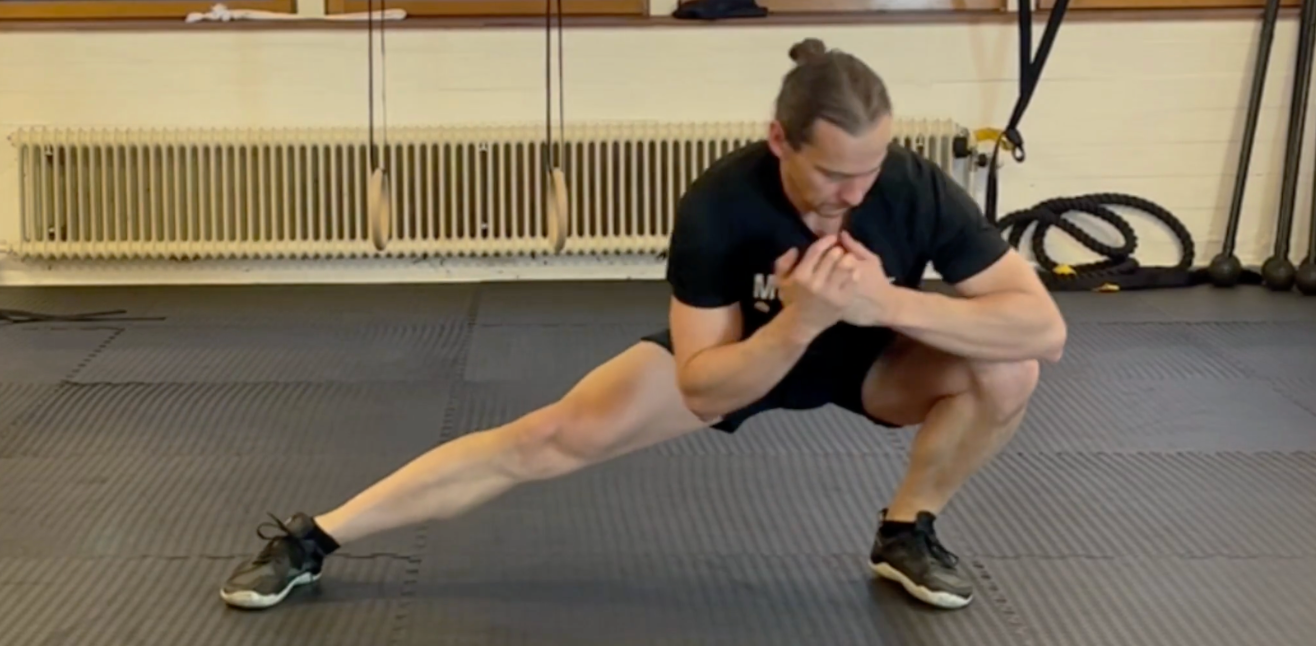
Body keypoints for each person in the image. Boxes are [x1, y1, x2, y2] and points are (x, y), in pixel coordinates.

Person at [220, 38, 1067, 612]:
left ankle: (906, 529)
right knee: (547, 438)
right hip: (742, 354)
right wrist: (799, 323)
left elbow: (1043, 329)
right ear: (779, 140)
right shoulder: (721, 204)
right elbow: (705, 385)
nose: (854, 194)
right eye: (833, 174)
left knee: (1010, 368)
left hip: (879, 361)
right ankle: (314, 538)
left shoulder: (912, 188)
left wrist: (883, 306)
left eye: (870, 170)